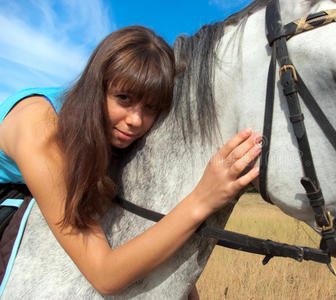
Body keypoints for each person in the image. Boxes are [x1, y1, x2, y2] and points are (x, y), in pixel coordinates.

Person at [0, 26, 261, 296]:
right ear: (96, 88)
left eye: (150, 108)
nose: (136, 120)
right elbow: (104, 275)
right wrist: (202, 200)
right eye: (123, 98)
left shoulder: (109, 131)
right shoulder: (39, 129)